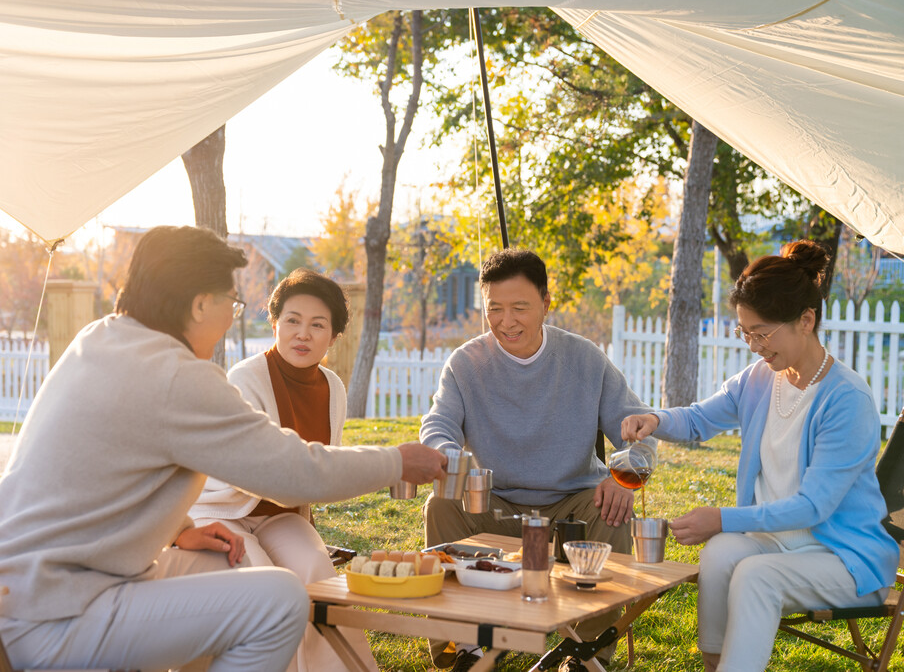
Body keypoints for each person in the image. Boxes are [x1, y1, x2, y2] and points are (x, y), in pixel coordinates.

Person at [0, 226, 446, 672]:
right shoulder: (175, 376)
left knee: (226, 561)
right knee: (279, 601)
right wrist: (397, 461)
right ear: (199, 305)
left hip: (10, 601)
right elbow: (292, 471)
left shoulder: (100, 340)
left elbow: (110, 466)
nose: (230, 316)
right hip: (54, 618)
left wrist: (184, 527)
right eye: (231, 303)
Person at [621, 240, 897, 672]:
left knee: (754, 573)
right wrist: (655, 419)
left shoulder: (846, 399)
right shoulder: (760, 379)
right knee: (720, 553)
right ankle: (716, 665)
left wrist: (722, 517)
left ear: (806, 320)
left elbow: (814, 507)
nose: (752, 345)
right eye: (744, 332)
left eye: (762, 333)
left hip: (843, 558)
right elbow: (698, 420)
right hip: (776, 544)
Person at [421, 247, 655, 671]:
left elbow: (640, 430)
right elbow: (438, 426)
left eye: (519, 308)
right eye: (494, 308)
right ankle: (465, 647)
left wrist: (623, 477)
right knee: (441, 504)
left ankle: (587, 653)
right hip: (494, 504)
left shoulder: (586, 358)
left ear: (547, 302)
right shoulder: (464, 363)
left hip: (573, 506)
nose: (506, 321)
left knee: (615, 505)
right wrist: (450, 458)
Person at [189, 267, 377, 672]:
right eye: (292, 321)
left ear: (334, 336)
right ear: (274, 324)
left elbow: (322, 471)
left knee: (315, 572)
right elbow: (279, 477)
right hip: (223, 511)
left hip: (280, 515)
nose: (303, 334)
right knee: (264, 580)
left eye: (317, 325)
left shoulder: (334, 388)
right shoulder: (246, 378)